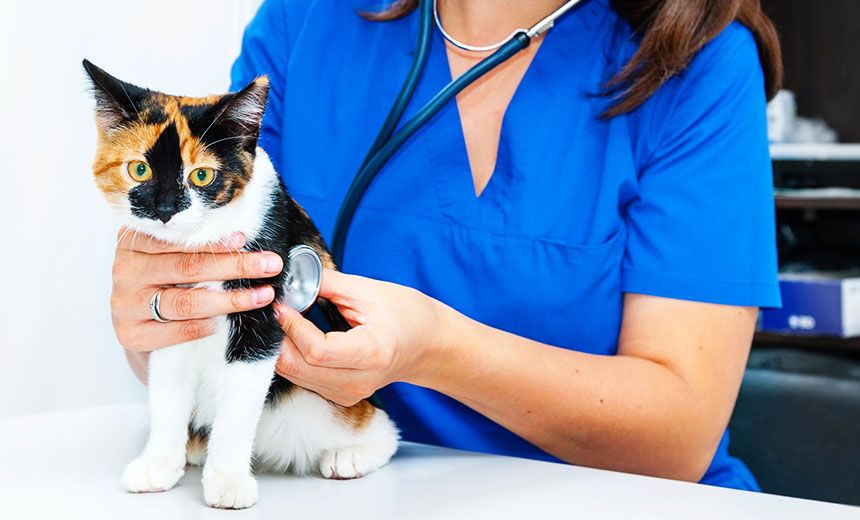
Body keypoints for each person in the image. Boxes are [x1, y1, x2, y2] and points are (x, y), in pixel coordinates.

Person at [116, 0, 783, 490]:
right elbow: (205, 335)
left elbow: (679, 438)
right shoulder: (302, 25)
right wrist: (156, 316)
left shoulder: (699, 63)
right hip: (344, 491)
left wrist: (437, 350)